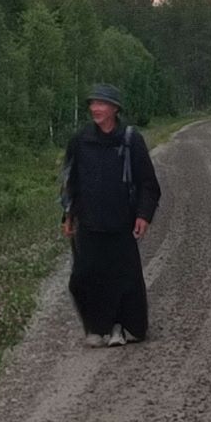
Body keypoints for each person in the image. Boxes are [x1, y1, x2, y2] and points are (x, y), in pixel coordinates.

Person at [61, 83, 162, 347]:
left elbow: (148, 183)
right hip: (88, 222)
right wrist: (68, 214)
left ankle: (120, 326)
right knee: (83, 277)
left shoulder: (130, 140)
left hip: (121, 222)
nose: (95, 108)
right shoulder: (80, 140)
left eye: (101, 104)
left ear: (115, 109)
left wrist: (143, 215)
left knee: (122, 278)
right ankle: (96, 327)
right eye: (93, 103)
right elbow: (70, 180)